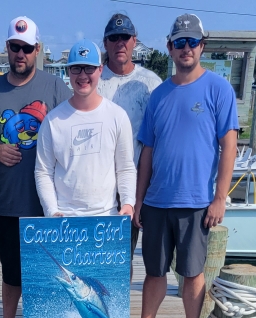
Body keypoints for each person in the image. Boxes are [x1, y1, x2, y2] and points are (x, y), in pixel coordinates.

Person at [132, 14, 238, 318]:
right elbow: (147, 151)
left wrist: (220, 197)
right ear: (170, 48)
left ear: (202, 46)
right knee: (154, 270)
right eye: (180, 42)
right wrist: (138, 199)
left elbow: (229, 145)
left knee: (192, 272)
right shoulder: (158, 95)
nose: (187, 48)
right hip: (156, 201)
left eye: (193, 42)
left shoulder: (219, 89)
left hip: (195, 202)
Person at [0, 16, 70, 318]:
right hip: (9, 200)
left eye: (27, 48)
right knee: (11, 271)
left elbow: (73, 131)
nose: (21, 54)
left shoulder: (55, 87)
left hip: (50, 204)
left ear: (37, 50)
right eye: (15, 47)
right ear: (7, 48)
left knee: (50, 270)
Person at [34, 40, 136, 219]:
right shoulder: (52, 121)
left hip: (107, 219)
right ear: (68, 71)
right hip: (64, 221)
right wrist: (51, 210)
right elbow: (43, 171)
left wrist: (128, 202)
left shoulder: (117, 116)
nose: (83, 75)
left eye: (89, 68)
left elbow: (125, 167)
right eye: (76, 68)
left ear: (100, 70)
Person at [97, 12, 161, 295]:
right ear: (105, 43)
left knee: (122, 257)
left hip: (132, 187)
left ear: (134, 41)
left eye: (125, 37)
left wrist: (142, 194)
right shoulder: (91, 79)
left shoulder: (152, 83)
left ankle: (118, 314)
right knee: (92, 254)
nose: (119, 43)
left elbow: (158, 141)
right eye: (113, 38)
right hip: (94, 187)